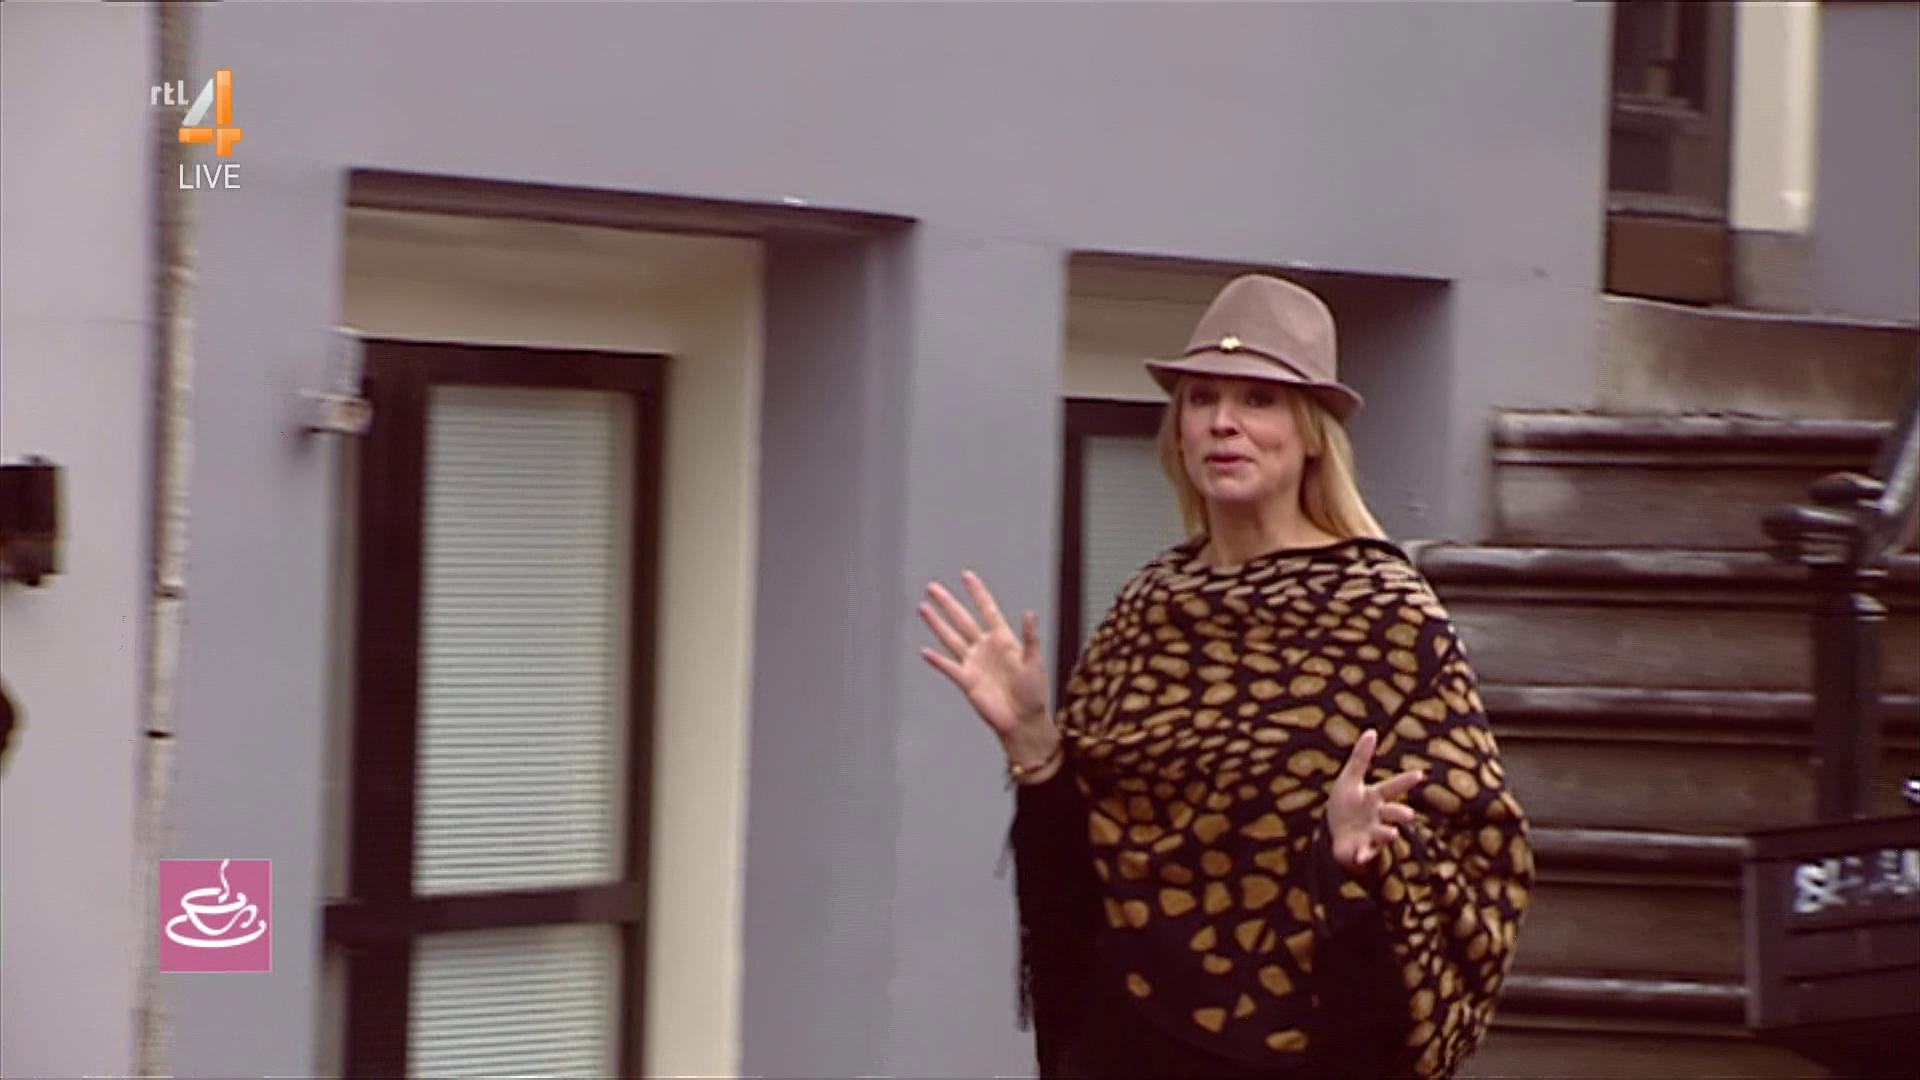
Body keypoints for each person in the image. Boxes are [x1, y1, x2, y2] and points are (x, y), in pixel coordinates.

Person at [918, 275, 1533, 1079]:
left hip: (1297, 1053)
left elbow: (1481, 848)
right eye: (1202, 398)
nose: (1223, 423)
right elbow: (1079, 879)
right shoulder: (1150, 605)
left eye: (1258, 400)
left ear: (1312, 434)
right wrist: (1035, 744)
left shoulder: (1382, 614)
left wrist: (1359, 859)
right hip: (1127, 1043)